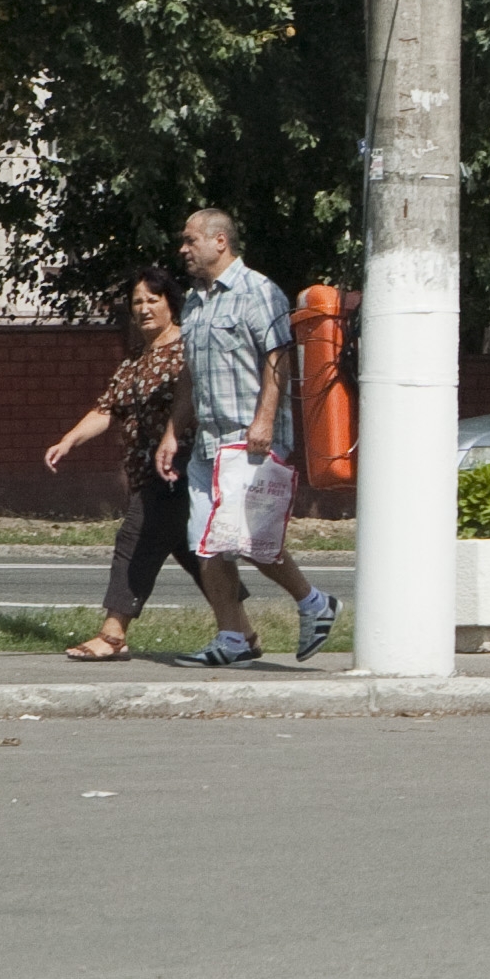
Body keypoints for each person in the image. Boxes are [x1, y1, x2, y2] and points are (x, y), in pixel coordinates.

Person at [168, 208, 337, 666]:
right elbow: (189, 374)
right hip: (208, 442)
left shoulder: (258, 291)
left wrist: (264, 420)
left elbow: (279, 358)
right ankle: (233, 640)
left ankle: (314, 603)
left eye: (190, 240)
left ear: (219, 241)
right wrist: (171, 431)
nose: (183, 249)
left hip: (250, 440)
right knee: (208, 542)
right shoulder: (194, 300)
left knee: (250, 539)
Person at [42, 265, 202, 661]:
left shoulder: (186, 349)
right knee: (196, 554)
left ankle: (113, 634)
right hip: (144, 469)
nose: (145, 308)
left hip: (175, 466)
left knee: (134, 539)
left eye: (153, 300)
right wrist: (68, 440)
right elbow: (107, 408)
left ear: (171, 304)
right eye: (137, 302)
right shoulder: (136, 359)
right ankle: (241, 629)